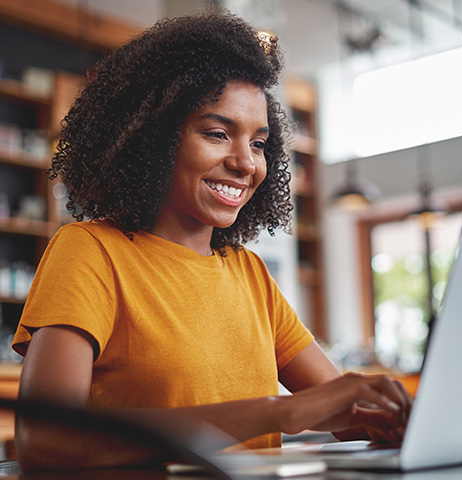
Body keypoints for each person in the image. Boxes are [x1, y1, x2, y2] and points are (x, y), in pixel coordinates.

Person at [11, 6, 412, 472]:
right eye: (218, 133)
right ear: (153, 139)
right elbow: (46, 444)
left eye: (259, 143)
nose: (246, 163)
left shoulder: (249, 273)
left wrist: (408, 416)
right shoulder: (91, 252)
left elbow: (348, 416)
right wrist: (278, 411)